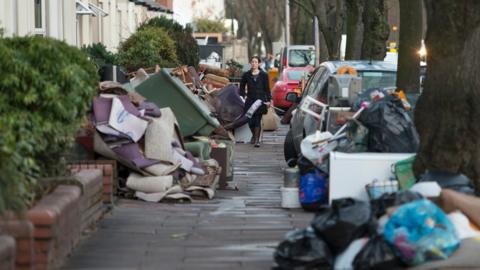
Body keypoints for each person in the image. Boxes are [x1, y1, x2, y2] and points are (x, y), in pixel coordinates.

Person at [239, 56, 271, 148]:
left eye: (256, 62)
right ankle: (254, 135)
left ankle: (257, 140)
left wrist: (268, 100)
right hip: (250, 100)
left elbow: (267, 89)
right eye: (252, 62)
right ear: (250, 63)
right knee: (250, 120)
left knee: (257, 120)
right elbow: (241, 87)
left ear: (259, 63)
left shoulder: (264, 75)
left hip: (260, 101)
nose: (254, 63)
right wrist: (243, 97)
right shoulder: (246, 75)